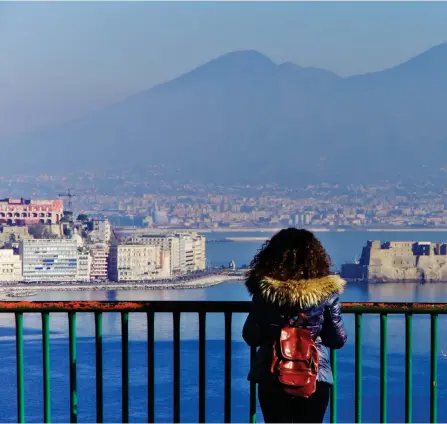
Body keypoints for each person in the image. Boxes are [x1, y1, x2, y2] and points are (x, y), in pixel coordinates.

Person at [242, 228, 347, 423]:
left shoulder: (265, 293)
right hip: (314, 374)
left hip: (272, 374)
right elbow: (337, 339)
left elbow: (251, 335)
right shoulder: (327, 295)